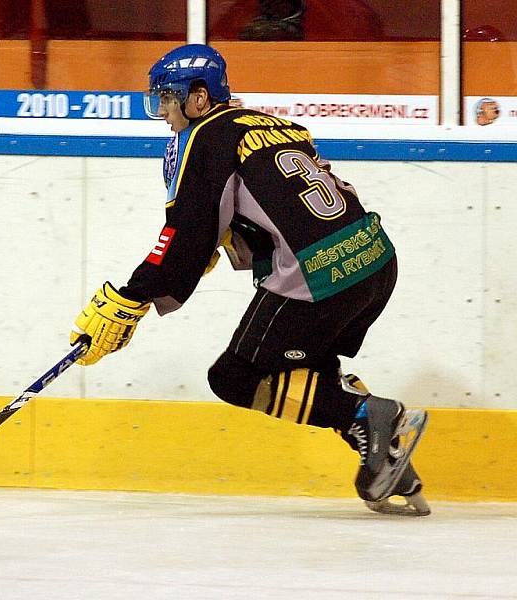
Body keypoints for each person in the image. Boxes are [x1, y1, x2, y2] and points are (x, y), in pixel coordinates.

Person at [69, 43, 430, 516]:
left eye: (168, 99)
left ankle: (368, 415)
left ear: (198, 98)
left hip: (316, 275)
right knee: (306, 370)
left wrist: (129, 299)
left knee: (234, 377)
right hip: (373, 259)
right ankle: (386, 454)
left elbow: (185, 234)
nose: (161, 112)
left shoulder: (204, 136)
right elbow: (274, 206)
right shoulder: (273, 124)